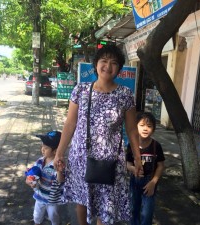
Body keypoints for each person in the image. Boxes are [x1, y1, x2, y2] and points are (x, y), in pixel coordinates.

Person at [53, 45, 143, 225]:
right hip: (82, 156)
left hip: (111, 160)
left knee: (106, 203)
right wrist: (59, 152)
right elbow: (70, 123)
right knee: (82, 198)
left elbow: (132, 129)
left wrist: (137, 157)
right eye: (104, 61)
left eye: (114, 63)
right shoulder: (81, 90)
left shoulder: (125, 95)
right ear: (96, 64)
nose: (108, 66)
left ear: (119, 68)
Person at [126, 112, 165, 225]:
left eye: (149, 126)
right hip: (135, 181)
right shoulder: (131, 145)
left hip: (150, 183)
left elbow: (161, 165)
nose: (145, 128)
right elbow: (127, 164)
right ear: (136, 127)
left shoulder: (156, 146)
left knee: (147, 212)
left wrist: (153, 182)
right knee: (134, 209)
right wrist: (132, 169)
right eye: (142, 125)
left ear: (153, 128)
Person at [25, 130, 64, 225]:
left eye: (46, 148)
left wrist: (59, 171)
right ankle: (37, 222)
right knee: (37, 215)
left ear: (55, 151)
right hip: (40, 195)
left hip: (52, 199)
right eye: (42, 146)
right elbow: (32, 174)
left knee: (53, 216)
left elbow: (61, 180)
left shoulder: (58, 165)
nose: (42, 149)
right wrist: (29, 180)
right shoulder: (40, 161)